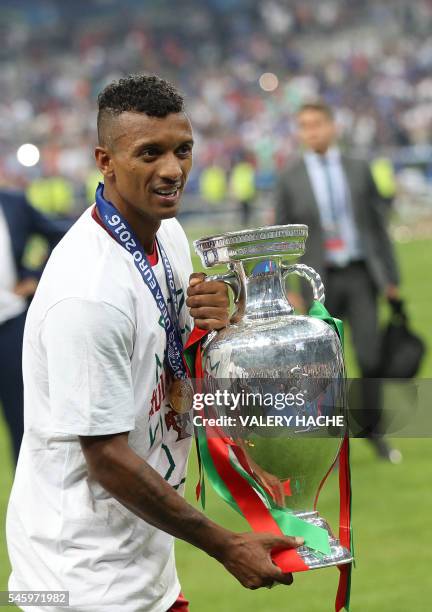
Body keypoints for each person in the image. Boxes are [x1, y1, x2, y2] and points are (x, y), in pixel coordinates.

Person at [7, 75, 302, 612]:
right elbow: (106, 457)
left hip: (140, 558)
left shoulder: (166, 234)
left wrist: (218, 320)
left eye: (182, 149)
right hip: (79, 578)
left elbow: (174, 360)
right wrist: (227, 544)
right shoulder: (89, 294)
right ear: (106, 161)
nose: (173, 170)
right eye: (150, 153)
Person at [275, 101, 402, 463]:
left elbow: (378, 226)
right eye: (304, 126)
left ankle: (373, 430)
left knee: (370, 356)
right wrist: (288, 285)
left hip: (361, 273)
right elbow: (283, 235)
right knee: (322, 366)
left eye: (317, 124)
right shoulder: (290, 176)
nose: (311, 131)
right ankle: (329, 440)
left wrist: (390, 279)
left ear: (332, 127)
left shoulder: (358, 169)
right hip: (318, 281)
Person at [0, 189, 68, 464]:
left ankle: (27, 500)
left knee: (24, 419)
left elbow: (61, 235)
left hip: (11, 324)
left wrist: (34, 276)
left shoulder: (12, 203)